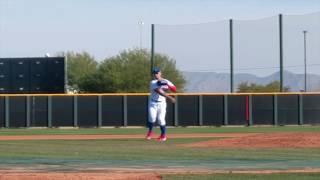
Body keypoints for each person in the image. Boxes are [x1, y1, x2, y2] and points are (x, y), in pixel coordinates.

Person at [146, 67, 176, 141]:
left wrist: (168, 84)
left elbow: (174, 89)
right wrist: (170, 98)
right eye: (154, 73)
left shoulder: (166, 81)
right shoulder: (153, 82)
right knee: (152, 118)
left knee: (161, 120)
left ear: (160, 73)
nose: (156, 74)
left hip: (162, 103)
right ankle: (150, 132)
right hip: (153, 102)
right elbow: (159, 91)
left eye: (157, 73)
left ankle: (163, 136)